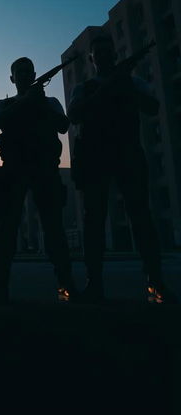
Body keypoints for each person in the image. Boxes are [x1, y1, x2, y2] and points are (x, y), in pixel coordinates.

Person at [68, 35, 176, 304]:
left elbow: (152, 107)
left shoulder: (131, 82)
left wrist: (124, 83)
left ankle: (155, 281)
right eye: (98, 53)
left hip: (128, 155)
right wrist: (108, 88)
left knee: (141, 219)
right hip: (95, 158)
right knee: (94, 222)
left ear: (115, 56)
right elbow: (74, 115)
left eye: (108, 52)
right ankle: (94, 284)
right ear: (92, 59)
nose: (104, 57)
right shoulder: (84, 88)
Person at [0, 57, 75, 303]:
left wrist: (39, 103)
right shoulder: (4, 103)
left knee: (54, 229)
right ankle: (0, 287)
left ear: (35, 74)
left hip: (44, 169)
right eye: (20, 72)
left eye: (28, 71)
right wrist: (24, 102)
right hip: (14, 170)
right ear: (12, 78)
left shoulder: (50, 102)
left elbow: (63, 125)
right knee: (7, 230)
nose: (25, 75)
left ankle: (66, 284)